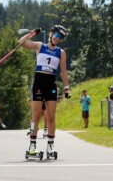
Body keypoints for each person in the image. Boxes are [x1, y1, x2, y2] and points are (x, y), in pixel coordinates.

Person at [18, 25, 70, 156]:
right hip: (39, 83)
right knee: (36, 116)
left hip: (51, 84)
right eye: (56, 35)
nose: (58, 39)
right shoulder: (40, 46)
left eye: (60, 38)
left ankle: (50, 147)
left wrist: (66, 88)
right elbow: (21, 42)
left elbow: (63, 72)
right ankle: (32, 146)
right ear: (51, 34)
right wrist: (32, 33)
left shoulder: (61, 52)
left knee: (51, 117)